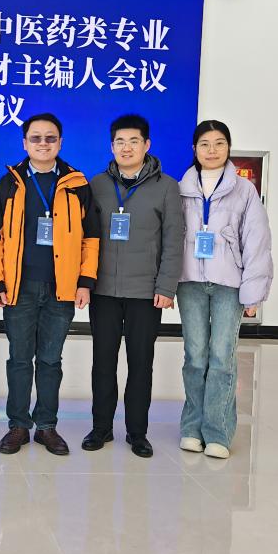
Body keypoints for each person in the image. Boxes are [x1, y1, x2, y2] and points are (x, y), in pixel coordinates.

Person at [0, 113, 99, 456]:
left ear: (60, 142)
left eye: (50, 138)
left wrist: (85, 282)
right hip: (18, 288)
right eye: (36, 138)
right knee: (19, 359)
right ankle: (18, 425)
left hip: (60, 290)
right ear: (25, 143)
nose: (43, 144)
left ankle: (46, 426)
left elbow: (91, 238)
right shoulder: (10, 183)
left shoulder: (77, 184)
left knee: (50, 361)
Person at [85, 114, 183, 458]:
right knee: (103, 362)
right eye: (120, 142)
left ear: (147, 145)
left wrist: (166, 286)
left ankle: (137, 432)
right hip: (104, 291)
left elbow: (174, 239)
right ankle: (101, 428)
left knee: (141, 364)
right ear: (111, 146)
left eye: (133, 141)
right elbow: (86, 237)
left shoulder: (167, 187)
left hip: (146, 293)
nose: (126, 148)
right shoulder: (97, 184)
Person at [177, 120, 273, 459]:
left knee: (222, 357)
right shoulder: (181, 189)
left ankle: (217, 432)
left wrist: (252, 294)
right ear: (194, 149)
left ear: (228, 148)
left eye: (219, 143)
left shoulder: (244, 191)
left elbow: (257, 242)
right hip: (189, 283)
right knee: (195, 356)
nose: (212, 150)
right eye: (205, 144)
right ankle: (191, 428)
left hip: (228, 285)